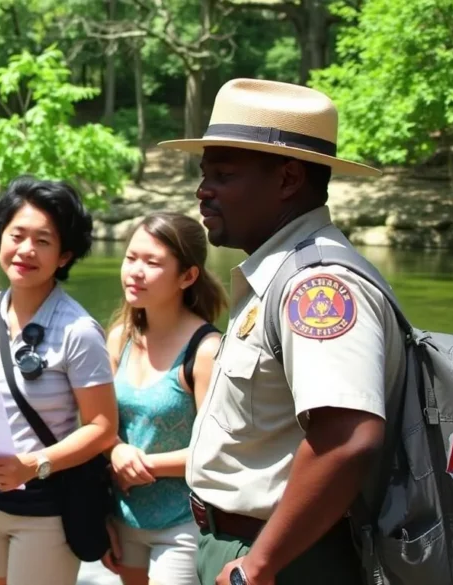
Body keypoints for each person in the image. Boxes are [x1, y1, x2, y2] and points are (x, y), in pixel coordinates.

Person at [157, 78, 407, 585]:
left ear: (288, 179)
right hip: (255, 548)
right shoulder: (280, 275)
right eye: (205, 173)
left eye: (224, 175)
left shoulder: (318, 286)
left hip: (288, 557)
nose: (203, 190)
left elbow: (349, 436)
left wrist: (260, 565)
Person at [0, 176, 119, 585]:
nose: (26, 250)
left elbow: (103, 429)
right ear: (0, 238)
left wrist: (31, 466)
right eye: (17, 235)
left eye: (43, 241)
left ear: (64, 256)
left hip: (45, 508)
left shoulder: (78, 330)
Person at [100, 211, 227, 585]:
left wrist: (142, 465)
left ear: (187, 277)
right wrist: (114, 451)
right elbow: (100, 424)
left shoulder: (207, 350)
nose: (135, 271)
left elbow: (216, 451)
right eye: (131, 258)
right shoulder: (119, 337)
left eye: (152, 262)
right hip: (124, 516)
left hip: (182, 521)